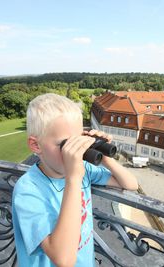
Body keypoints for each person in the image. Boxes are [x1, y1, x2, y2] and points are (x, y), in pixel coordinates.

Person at [12, 93, 138, 267]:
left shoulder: (83, 169)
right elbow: (63, 260)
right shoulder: (28, 190)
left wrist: (103, 155)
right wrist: (73, 178)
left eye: (78, 141)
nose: (75, 152)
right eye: (65, 144)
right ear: (36, 145)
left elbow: (130, 184)